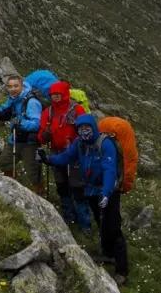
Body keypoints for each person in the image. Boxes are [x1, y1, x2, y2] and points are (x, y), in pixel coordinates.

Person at [37, 114, 129, 284]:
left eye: (86, 128)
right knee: (101, 222)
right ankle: (108, 254)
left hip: (108, 191)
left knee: (113, 227)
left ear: (93, 127)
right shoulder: (79, 143)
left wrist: (107, 193)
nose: (83, 132)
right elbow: (66, 157)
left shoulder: (105, 144)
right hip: (91, 190)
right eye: (80, 129)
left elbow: (109, 170)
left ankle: (122, 270)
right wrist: (48, 159)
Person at [39, 81, 91, 235]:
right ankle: (69, 217)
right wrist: (44, 136)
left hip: (75, 153)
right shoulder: (47, 112)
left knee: (77, 187)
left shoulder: (77, 110)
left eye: (58, 94)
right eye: (53, 95)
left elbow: (86, 130)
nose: (55, 97)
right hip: (56, 152)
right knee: (62, 187)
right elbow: (41, 136)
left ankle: (85, 223)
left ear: (65, 94)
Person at [0, 74, 44, 195]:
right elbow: (4, 108)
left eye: (16, 86)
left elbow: (37, 124)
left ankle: (40, 197)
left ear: (22, 86)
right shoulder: (13, 99)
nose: (12, 89)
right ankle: (13, 190)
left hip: (29, 142)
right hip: (15, 138)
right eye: (10, 86)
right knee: (5, 161)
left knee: (33, 172)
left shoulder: (32, 102)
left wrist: (21, 123)